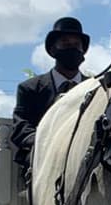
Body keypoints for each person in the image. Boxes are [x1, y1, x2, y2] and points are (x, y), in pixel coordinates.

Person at [8, 17, 91, 177]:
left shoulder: (95, 88)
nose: (72, 49)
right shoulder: (29, 89)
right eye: (66, 44)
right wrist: (49, 144)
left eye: (76, 45)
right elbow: (21, 128)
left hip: (86, 158)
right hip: (44, 160)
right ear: (53, 50)